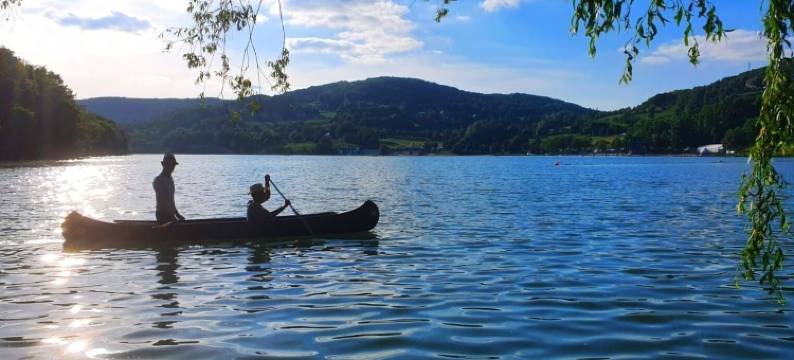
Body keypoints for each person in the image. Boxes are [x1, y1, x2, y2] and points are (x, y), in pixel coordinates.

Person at [153, 153, 185, 224]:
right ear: (163, 165)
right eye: (169, 164)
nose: (171, 167)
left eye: (173, 165)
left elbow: (171, 201)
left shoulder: (170, 179)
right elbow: (164, 202)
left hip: (170, 216)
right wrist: (173, 218)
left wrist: (177, 214)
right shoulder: (158, 180)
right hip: (162, 216)